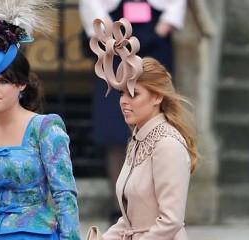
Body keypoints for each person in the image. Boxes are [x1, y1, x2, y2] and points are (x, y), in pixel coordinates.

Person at [0, 1, 81, 239]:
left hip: (34, 233)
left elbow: (64, 196)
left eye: (3, 81)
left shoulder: (44, 128)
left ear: (21, 84)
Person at [87, 18, 199, 240]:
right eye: (121, 93)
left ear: (157, 96)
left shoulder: (168, 144)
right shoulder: (138, 138)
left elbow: (171, 221)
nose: (124, 102)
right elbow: (129, 220)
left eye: (134, 94)